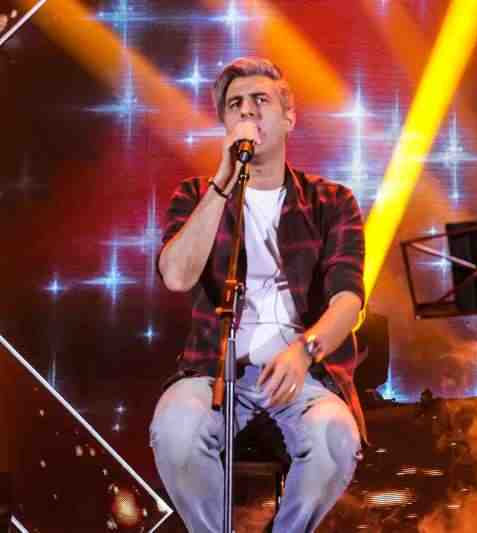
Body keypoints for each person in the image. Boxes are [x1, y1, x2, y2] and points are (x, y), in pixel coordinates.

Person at [149, 56, 366, 533]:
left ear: (288, 117)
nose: (247, 111)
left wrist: (305, 350)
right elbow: (177, 276)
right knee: (175, 433)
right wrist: (222, 183)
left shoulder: (332, 201)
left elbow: (348, 301)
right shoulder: (195, 195)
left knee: (335, 438)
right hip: (214, 371)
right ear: (226, 124)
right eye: (235, 105)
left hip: (303, 372)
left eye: (260, 100)